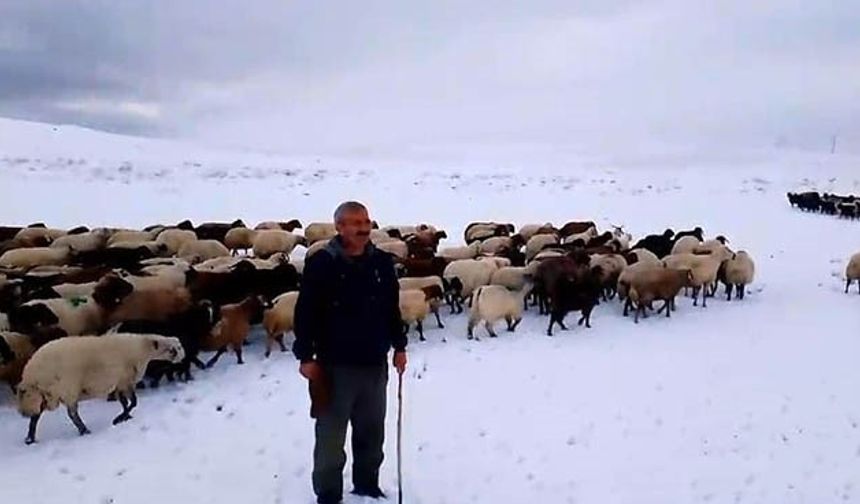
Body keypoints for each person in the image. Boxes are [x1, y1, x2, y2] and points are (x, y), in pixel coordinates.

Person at [293, 201, 408, 504]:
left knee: (372, 432)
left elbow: (391, 308)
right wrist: (305, 356)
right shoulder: (323, 263)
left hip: (374, 362)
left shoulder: (382, 262)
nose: (363, 227)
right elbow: (306, 311)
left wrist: (400, 346)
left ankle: (367, 484)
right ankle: (328, 493)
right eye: (355, 222)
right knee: (331, 435)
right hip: (334, 365)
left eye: (366, 221)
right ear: (340, 227)